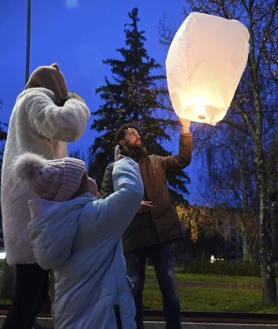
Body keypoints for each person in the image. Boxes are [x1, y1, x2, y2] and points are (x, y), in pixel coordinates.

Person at [12, 147, 144, 329]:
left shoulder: (53, 224)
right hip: (105, 319)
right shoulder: (94, 217)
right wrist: (122, 162)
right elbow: (132, 192)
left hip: (70, 316)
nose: (93, 179)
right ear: (80, 186)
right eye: (87, 176)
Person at [1, 63, 90, 329]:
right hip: (34, 214)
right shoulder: (34, 98)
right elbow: (70, 124)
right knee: (27, 301)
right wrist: (76, 102)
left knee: (33, 298)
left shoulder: (23, 108)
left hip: (31, 211)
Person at [101, 119, 192, 329]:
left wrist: (185, 130)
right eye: (132, 133)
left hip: (163, 235)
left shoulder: (155, 161)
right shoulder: (113, 169)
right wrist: (132, 205)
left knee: (168, 286)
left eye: (137, 132)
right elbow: (105, 199)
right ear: (121, 143)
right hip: (134, 237)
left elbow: (182, 160)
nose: (137, 135)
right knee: (134, 288)